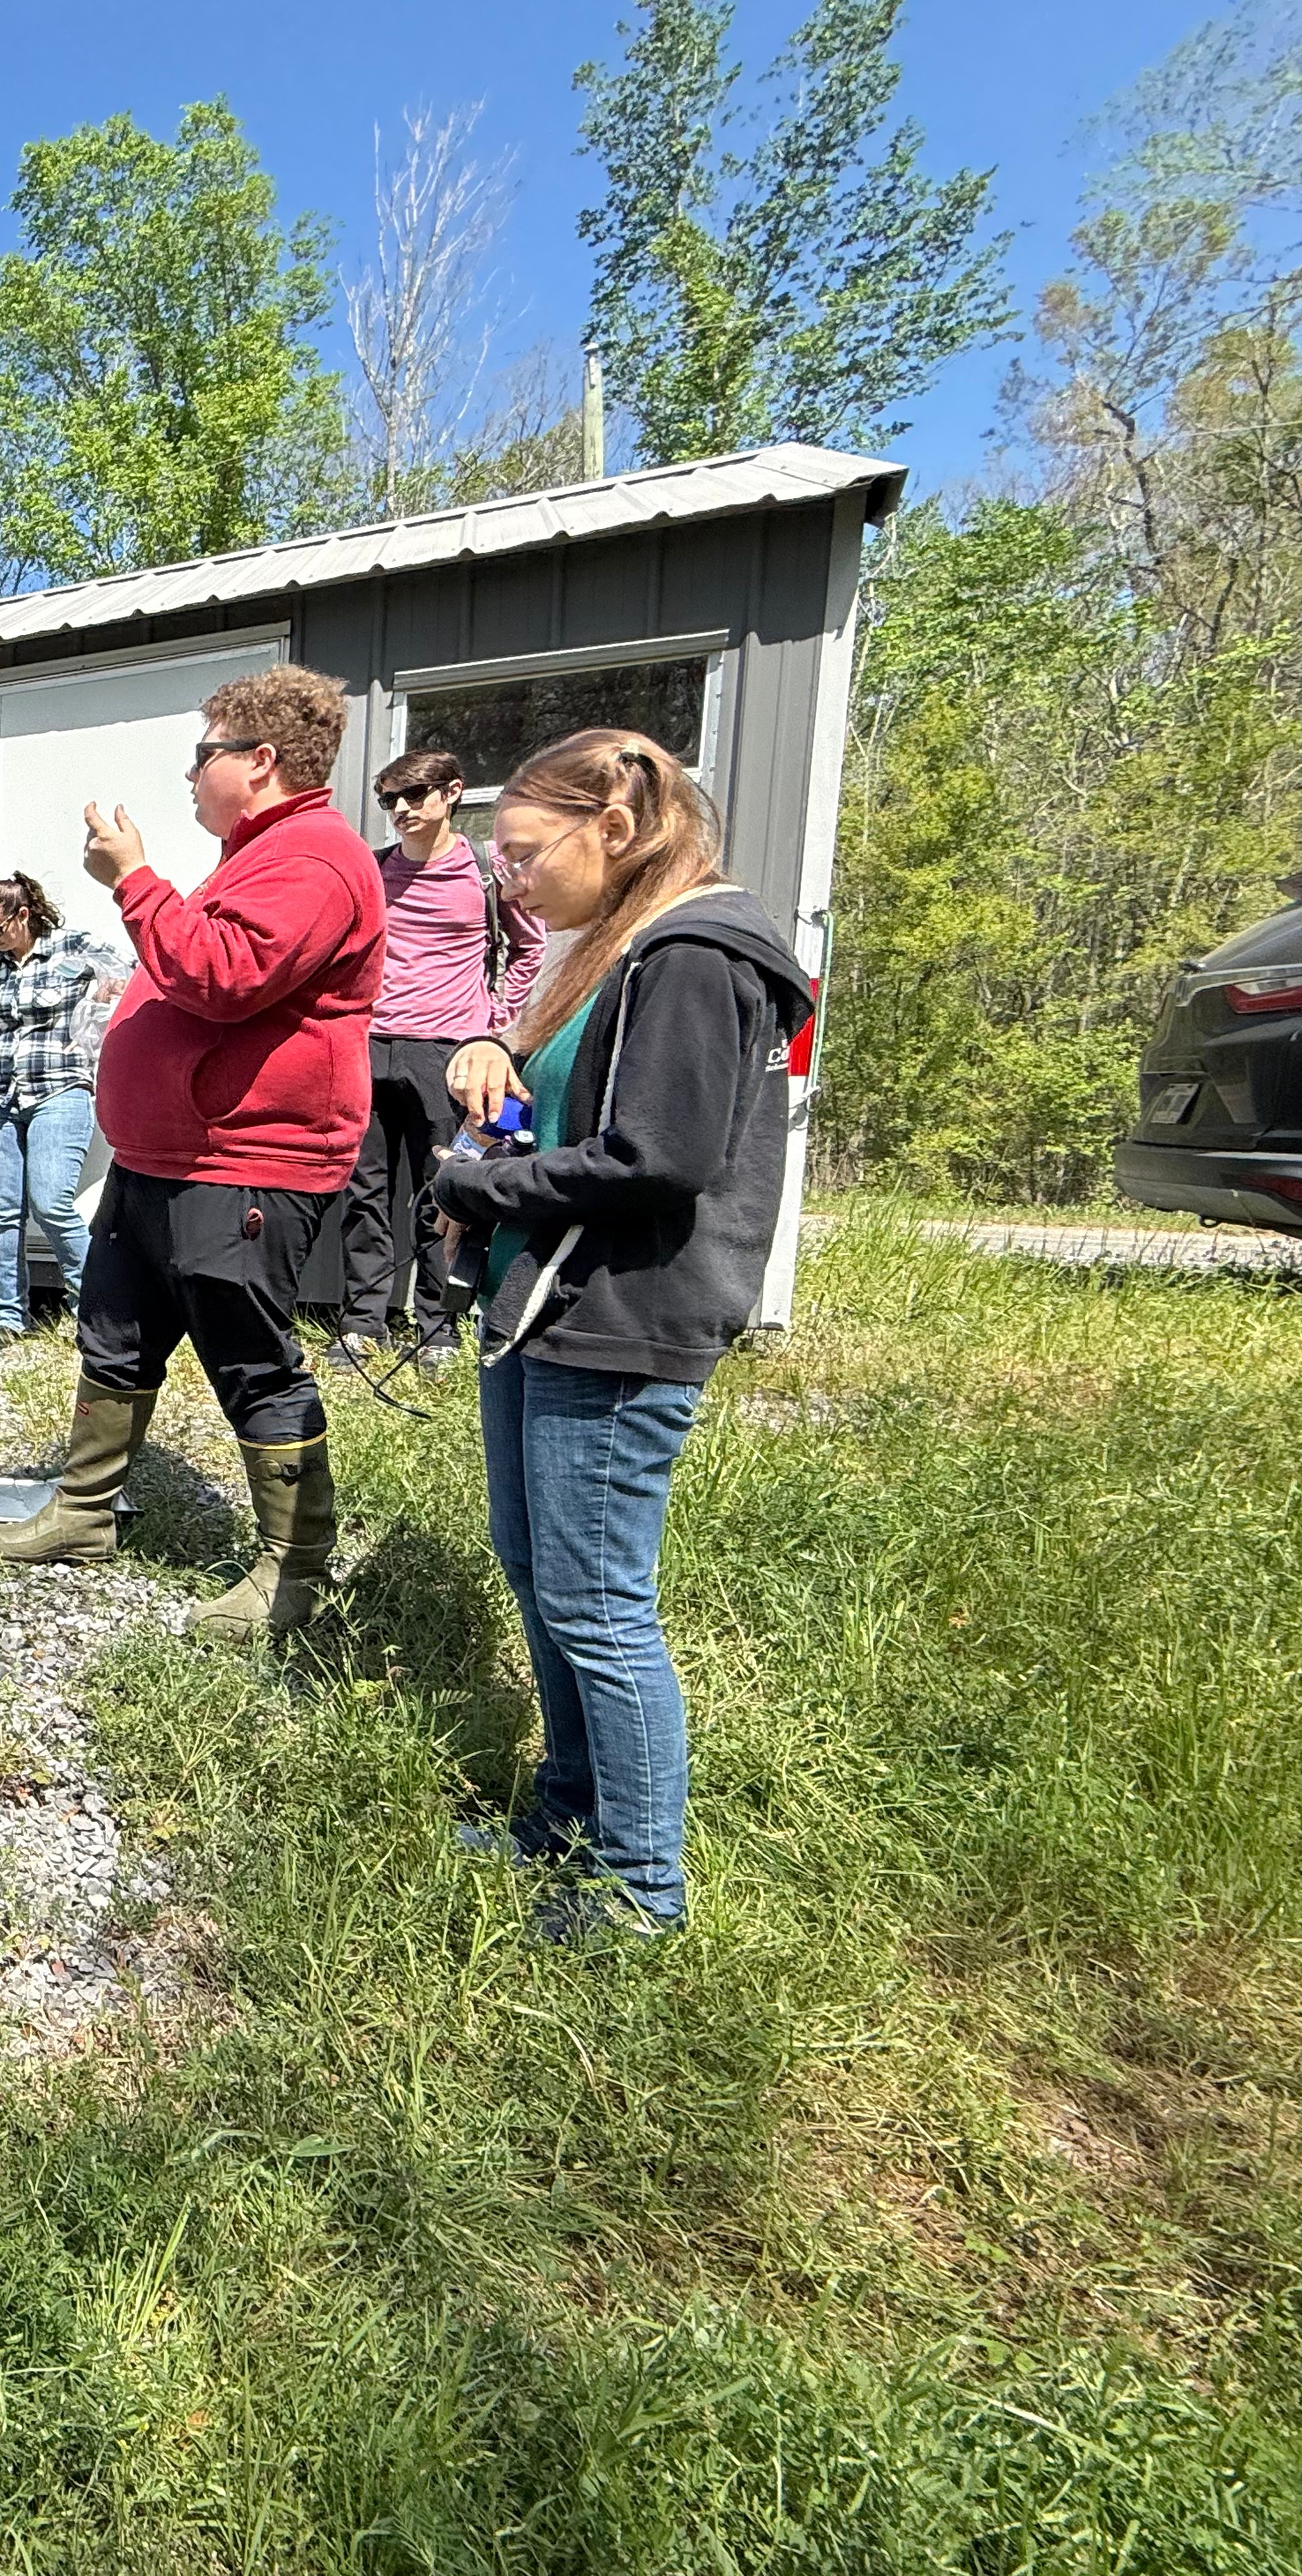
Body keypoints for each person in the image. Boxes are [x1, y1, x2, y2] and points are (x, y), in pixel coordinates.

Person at [430, 728, 814, 1938]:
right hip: (550, 1302)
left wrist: (476, 1191)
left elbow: (662, 1156)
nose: (513, 881)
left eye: (528, 853)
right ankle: (564, 1817)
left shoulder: (698, 950)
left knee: (598, 1604)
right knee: (540, 1571)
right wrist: (495, 1046)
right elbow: (575, 1090)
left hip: (623, 1316)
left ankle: (641, 1889)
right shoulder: (616, 950)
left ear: (616, 826)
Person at [0, 661, 385, 1646]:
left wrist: (134, 881)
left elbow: (223, 975)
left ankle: (294, 1575)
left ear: (262, 760)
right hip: (166, 1158)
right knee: (115, 1330)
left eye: (202, 755)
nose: (190, 775)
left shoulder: (318, 857)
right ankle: (83, 1513)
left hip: (247, 1162)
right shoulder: (262, 854)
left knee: (252, 1360)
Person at [328, 749, 541, 1372]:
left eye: (414, 796)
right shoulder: (372, 871)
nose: (401, 811)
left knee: (442, 1188)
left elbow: (529, 948)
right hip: (369, 1046)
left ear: (452, 793)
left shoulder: (483, 870)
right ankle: (363, 1323)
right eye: (390, 800)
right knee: (365, 1192)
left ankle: (437, 1329)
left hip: (449, 1053)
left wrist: (492, 1027)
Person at [0, 868, 132, 1344]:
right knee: (3, 1213)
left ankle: (95, 1316)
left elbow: (135, 971)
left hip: (60, 1091)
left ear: (23, 915)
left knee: (51, 1203)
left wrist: (107, 993)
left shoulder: (71, 946)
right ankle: (8, 1317)